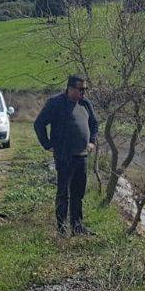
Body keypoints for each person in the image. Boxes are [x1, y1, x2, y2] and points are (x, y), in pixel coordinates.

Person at [34, 75, 99, 236]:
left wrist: (92, 142)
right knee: (64, 193)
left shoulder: (85, 104)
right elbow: (39, 123)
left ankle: (77, 226)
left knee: (78, 193)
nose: (83, 92)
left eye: (85, 89)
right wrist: (47, 145)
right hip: (64, 155)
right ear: (70, 88)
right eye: (80, 89)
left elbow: (94, 124)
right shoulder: (56, 104)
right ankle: (62, 229)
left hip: (82, 156)